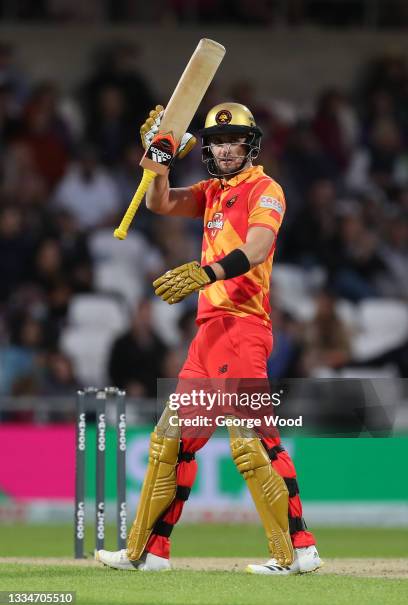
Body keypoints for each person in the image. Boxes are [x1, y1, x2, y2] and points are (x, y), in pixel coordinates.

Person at [96, 102, 323, 575]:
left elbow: (257, 247)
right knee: (170, 442)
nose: (223, 148)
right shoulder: (212, 192)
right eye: (216, 141)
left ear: (250, 144)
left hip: (243, 327)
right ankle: (148, 553)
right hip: (208, 334)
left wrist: (207, 272)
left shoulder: (266, 189)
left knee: (253, 443)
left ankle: (298, 551)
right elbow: (159, 201)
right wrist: (156, 159)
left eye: (233, 139)